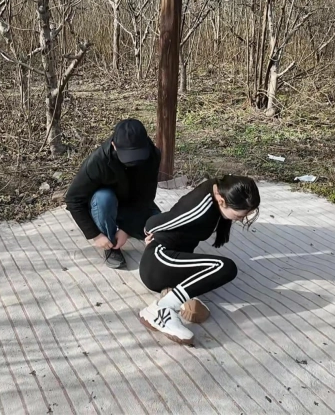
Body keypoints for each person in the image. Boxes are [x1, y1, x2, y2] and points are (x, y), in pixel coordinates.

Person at [139, 175, 260, 345]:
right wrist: (149, 236)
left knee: (202, 309)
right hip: (158, 261)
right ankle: (163, 307)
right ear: (221, 200)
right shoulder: (200, 208)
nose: (241, 219)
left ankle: (173, 292)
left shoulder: (218, 189)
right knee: (224, 267)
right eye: (239, 215)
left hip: (174, 258)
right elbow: (154, 223)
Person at [65, 119, 161, 269]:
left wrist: (126, 229)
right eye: (128, 155)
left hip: (133, 205)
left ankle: (131, 230)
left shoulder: (153, 155)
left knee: (164, 230)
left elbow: (147, 197)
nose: (133, 162)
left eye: (137, 155)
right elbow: (73, 200)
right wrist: (95, 235)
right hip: (104, 206)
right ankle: (111, 245)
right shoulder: (99, 161)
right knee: (104, 198)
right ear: (114, 145)